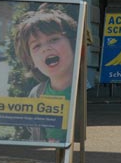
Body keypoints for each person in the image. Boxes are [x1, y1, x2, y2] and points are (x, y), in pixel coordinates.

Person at [14, 8, 78, 142]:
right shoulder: (36, 94)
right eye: (36, 46)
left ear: (73, 44)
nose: (45, 48)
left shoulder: (82, 91)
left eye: (54, 39)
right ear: (32, 61)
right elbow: (33, 130)